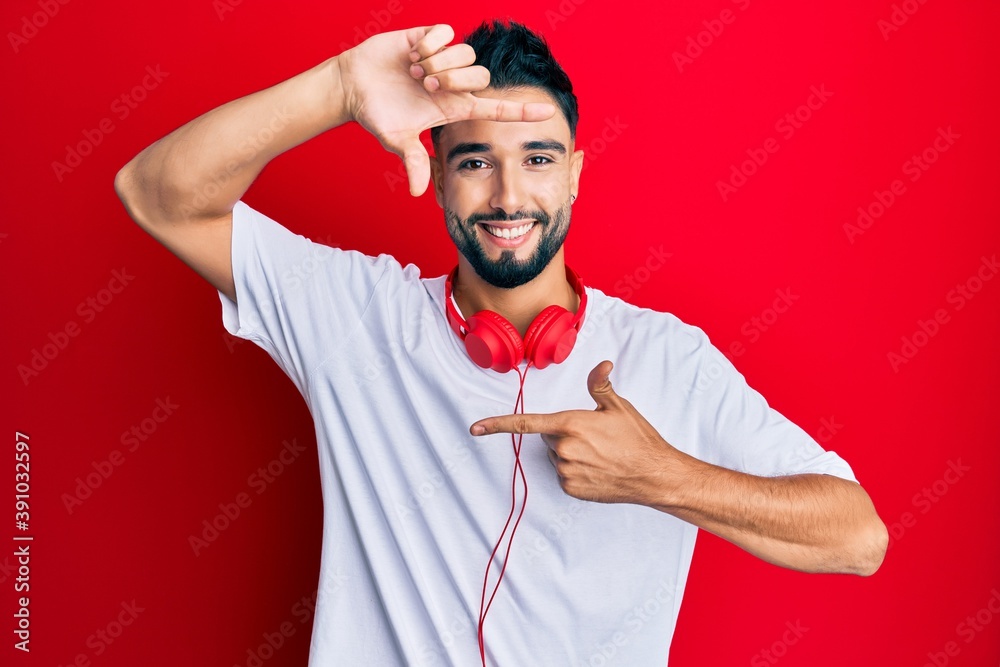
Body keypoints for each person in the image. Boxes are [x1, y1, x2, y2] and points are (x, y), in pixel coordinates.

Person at [114, 18, 888, 666]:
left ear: (576, 175)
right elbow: (157, 194)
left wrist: (661, 475)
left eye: (538, 160)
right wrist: (341, 88)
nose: (509, 196)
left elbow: (858, 536)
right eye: (476, 161)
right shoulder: (356, 317)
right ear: (440, 175)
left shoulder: (669, 358)